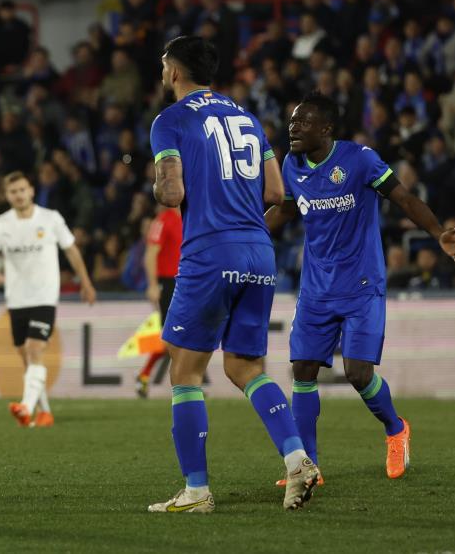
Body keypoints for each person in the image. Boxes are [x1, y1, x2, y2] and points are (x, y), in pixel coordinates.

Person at [264, 92, 455, 484]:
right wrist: (250, 234)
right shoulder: (291, 166)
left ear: (325, 129)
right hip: (316, 289)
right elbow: (287, 210)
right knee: (303, 370)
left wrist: (436, 232)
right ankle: (307, 466)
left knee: (358, 374)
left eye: (302, 122)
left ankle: (396, 429)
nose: (293, 128)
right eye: (292, 121)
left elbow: (404, 197)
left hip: (361, 284)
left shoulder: (359, 159)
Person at [147, 36, 318, 514]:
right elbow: (277, 191)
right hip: (259, 252)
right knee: (244, 367)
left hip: (209, 251)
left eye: (164, 65)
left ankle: (197, 491)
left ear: (175, 71)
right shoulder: (246, 117)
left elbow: (171, 193)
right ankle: (297, 458)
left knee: (185, 371)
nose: (162, 72)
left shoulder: (171, 120)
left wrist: (162, 182)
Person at [0, 171, 96, 429]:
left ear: (31, 190)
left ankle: (26, 407)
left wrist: (85, 282)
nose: (19, 195)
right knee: (27, 358)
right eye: (13, 191)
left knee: (34, 350)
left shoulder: (50, 219)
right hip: (17, 299)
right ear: (6, 195)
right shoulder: (1, 224)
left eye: (22, 190)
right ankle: (44, 413)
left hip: (44, 296)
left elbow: (72, 250)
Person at [135, 203, 181, 398]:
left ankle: (144, 375)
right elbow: (150, 254)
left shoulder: (191, 216)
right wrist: (153, 284)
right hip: (168, 283)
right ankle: (186, 385)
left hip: (187, 282)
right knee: (174, 337)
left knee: (178, 338)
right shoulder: (163, 220)